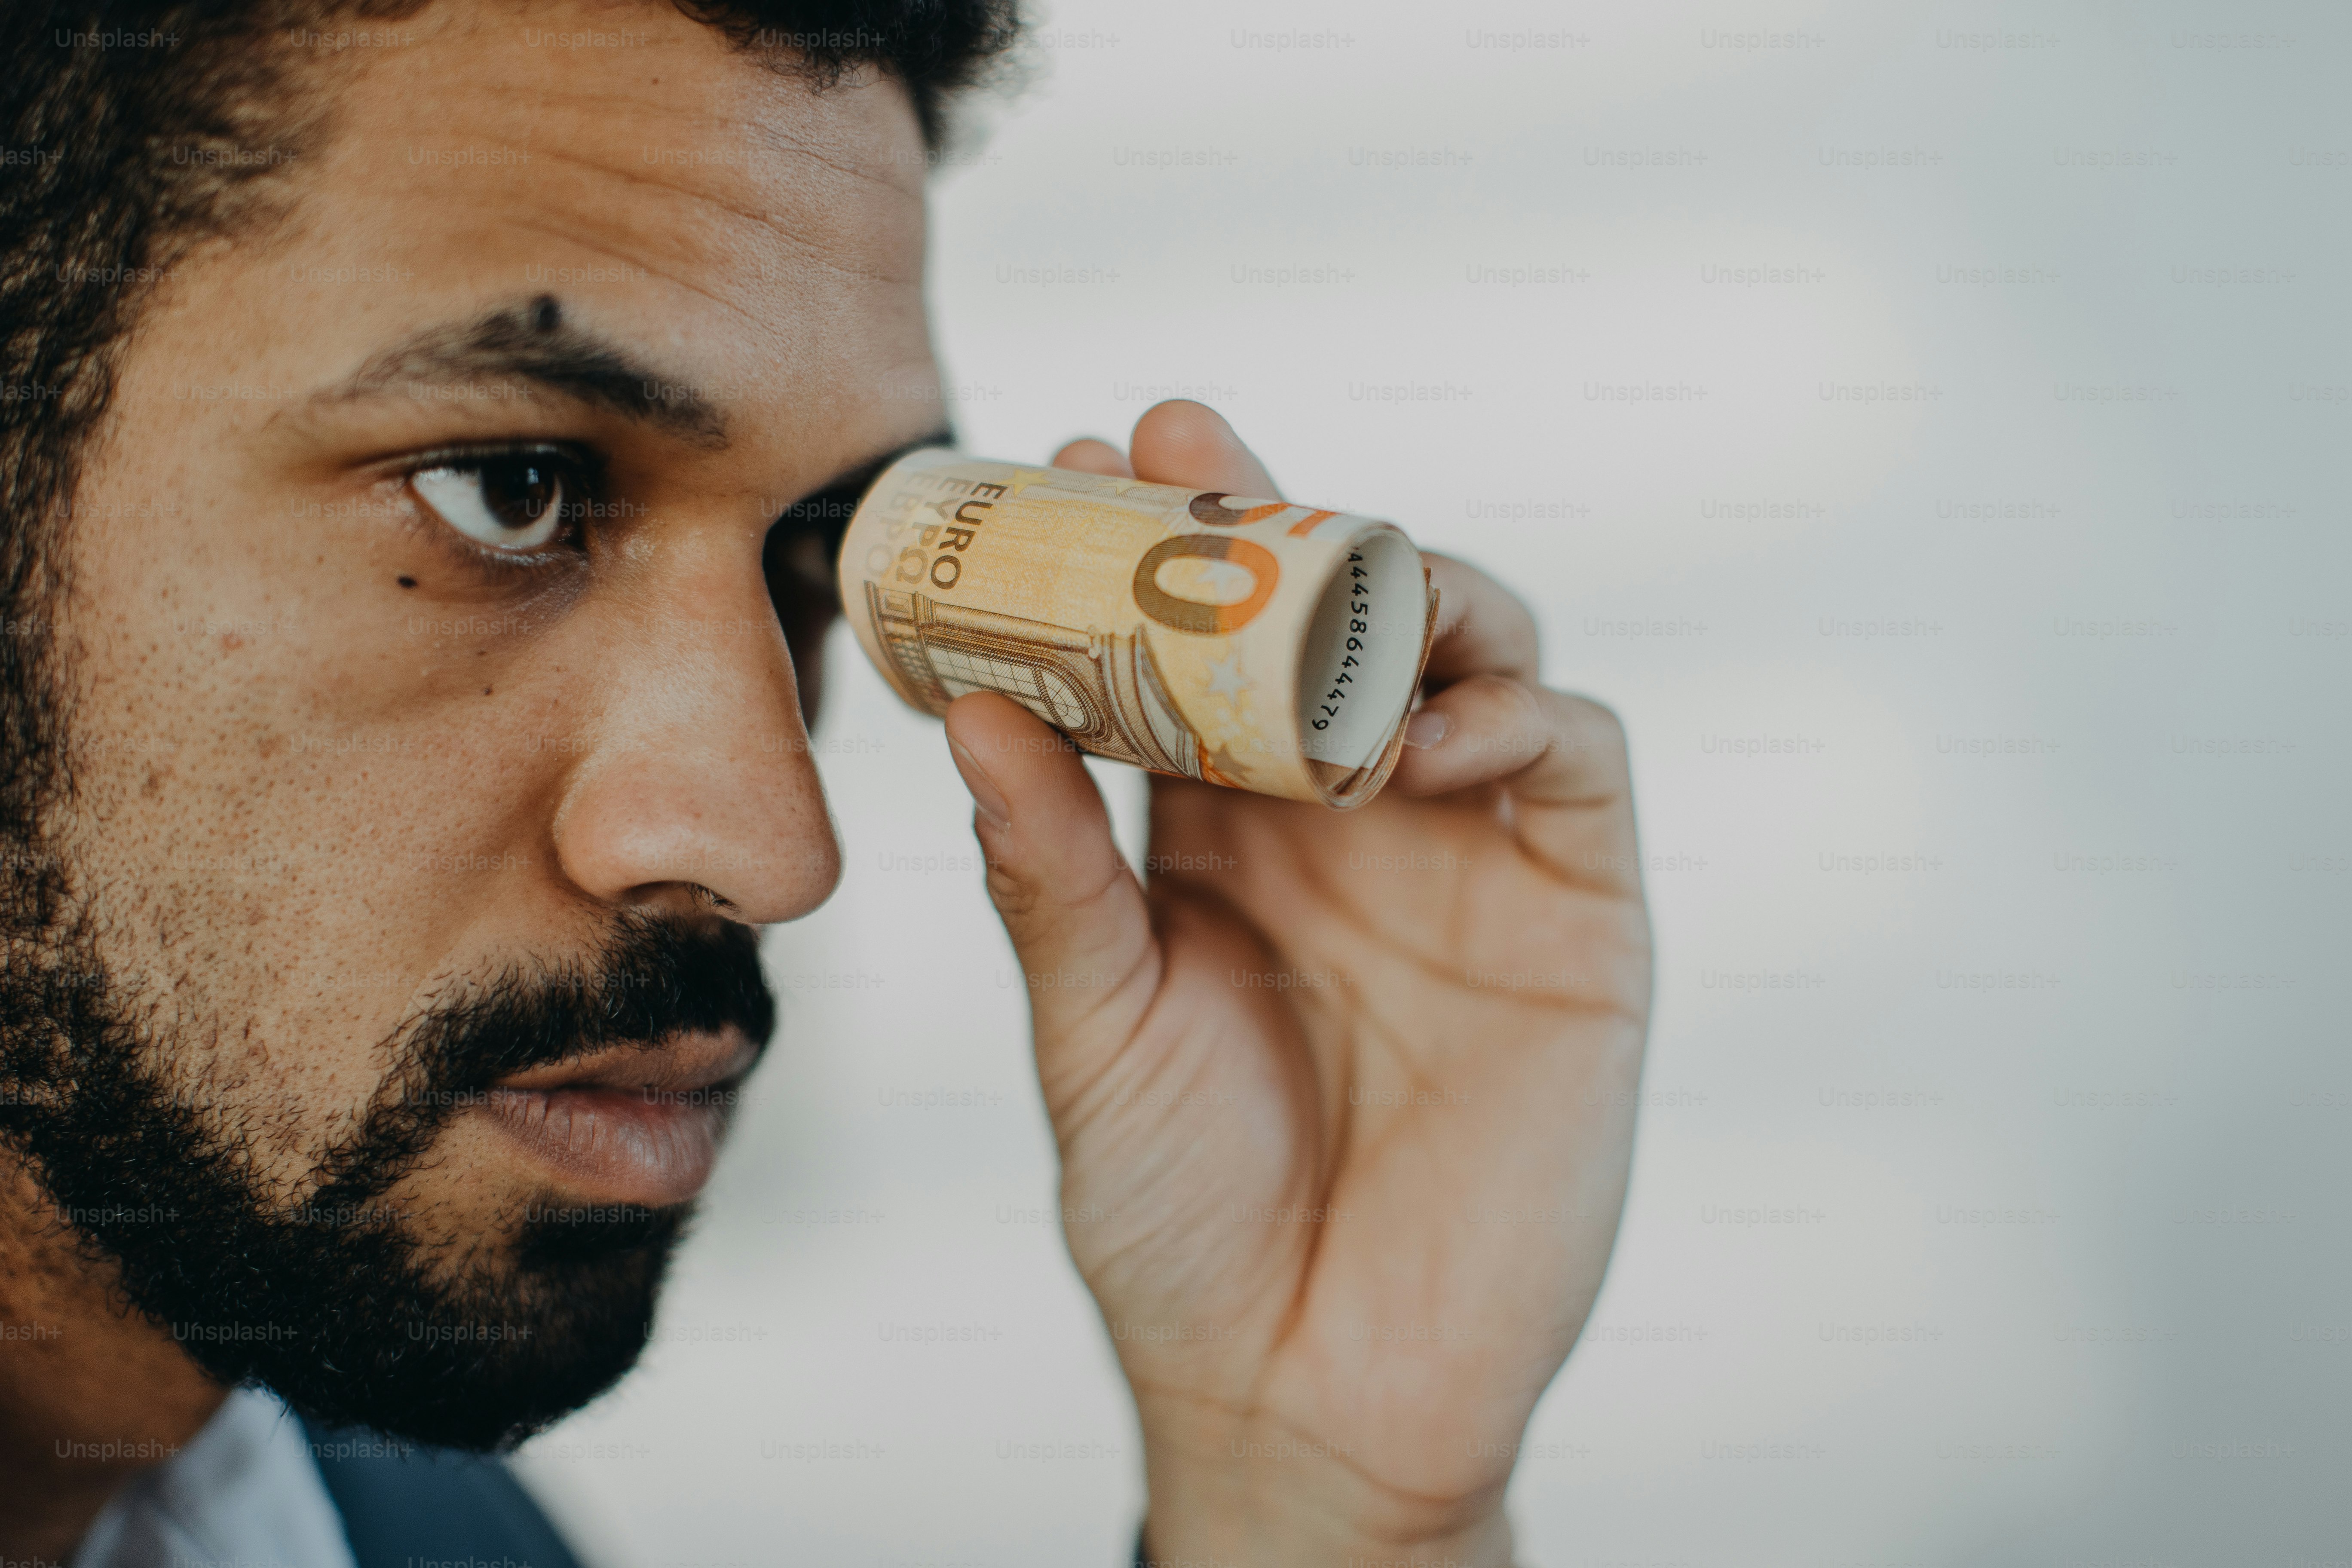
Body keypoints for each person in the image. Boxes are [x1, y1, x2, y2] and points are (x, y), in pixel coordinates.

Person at [0, 1, 1655, 1562]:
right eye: (509, 491)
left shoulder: (431, 1538)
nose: (781, 847)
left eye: (821, 556)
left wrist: (1316, 1509)